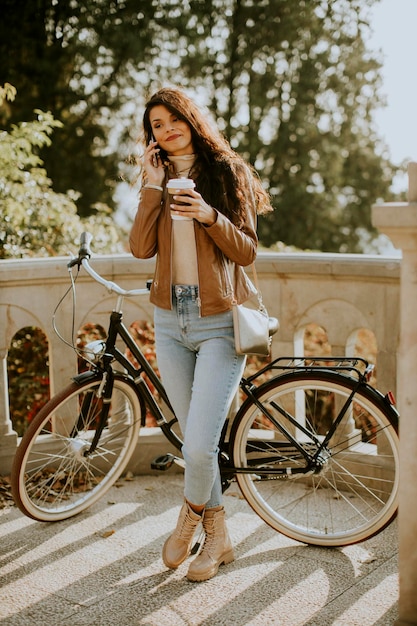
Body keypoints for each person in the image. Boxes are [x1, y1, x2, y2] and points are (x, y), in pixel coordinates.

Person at [129, 87, 272, 582]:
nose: (165, 131)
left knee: (196, 447)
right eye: (156, 125)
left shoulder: (226, 172)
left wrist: (209, 215)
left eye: (172, 120)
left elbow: (248, 251)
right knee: (198, 442)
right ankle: (219, 538)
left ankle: (187, 522)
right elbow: (140, 248)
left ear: (190, 120)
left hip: (217, 322)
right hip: (171, 323)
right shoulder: (161, 179)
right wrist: (151, 185)